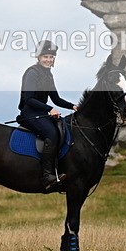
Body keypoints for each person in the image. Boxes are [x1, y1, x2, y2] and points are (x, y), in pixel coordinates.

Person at [18, 40, 78, 190]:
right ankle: (47, 176)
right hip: (29, 112)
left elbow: (56, 98)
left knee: (62, 129)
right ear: (38, 57)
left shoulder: (48, 75)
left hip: (41, 112)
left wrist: (73, 106)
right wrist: (50, 109)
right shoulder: (32, 72)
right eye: (45, 57)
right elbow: (29, 99)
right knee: (51, 133)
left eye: (51, 57)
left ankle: (59, 169)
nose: (48, 60)